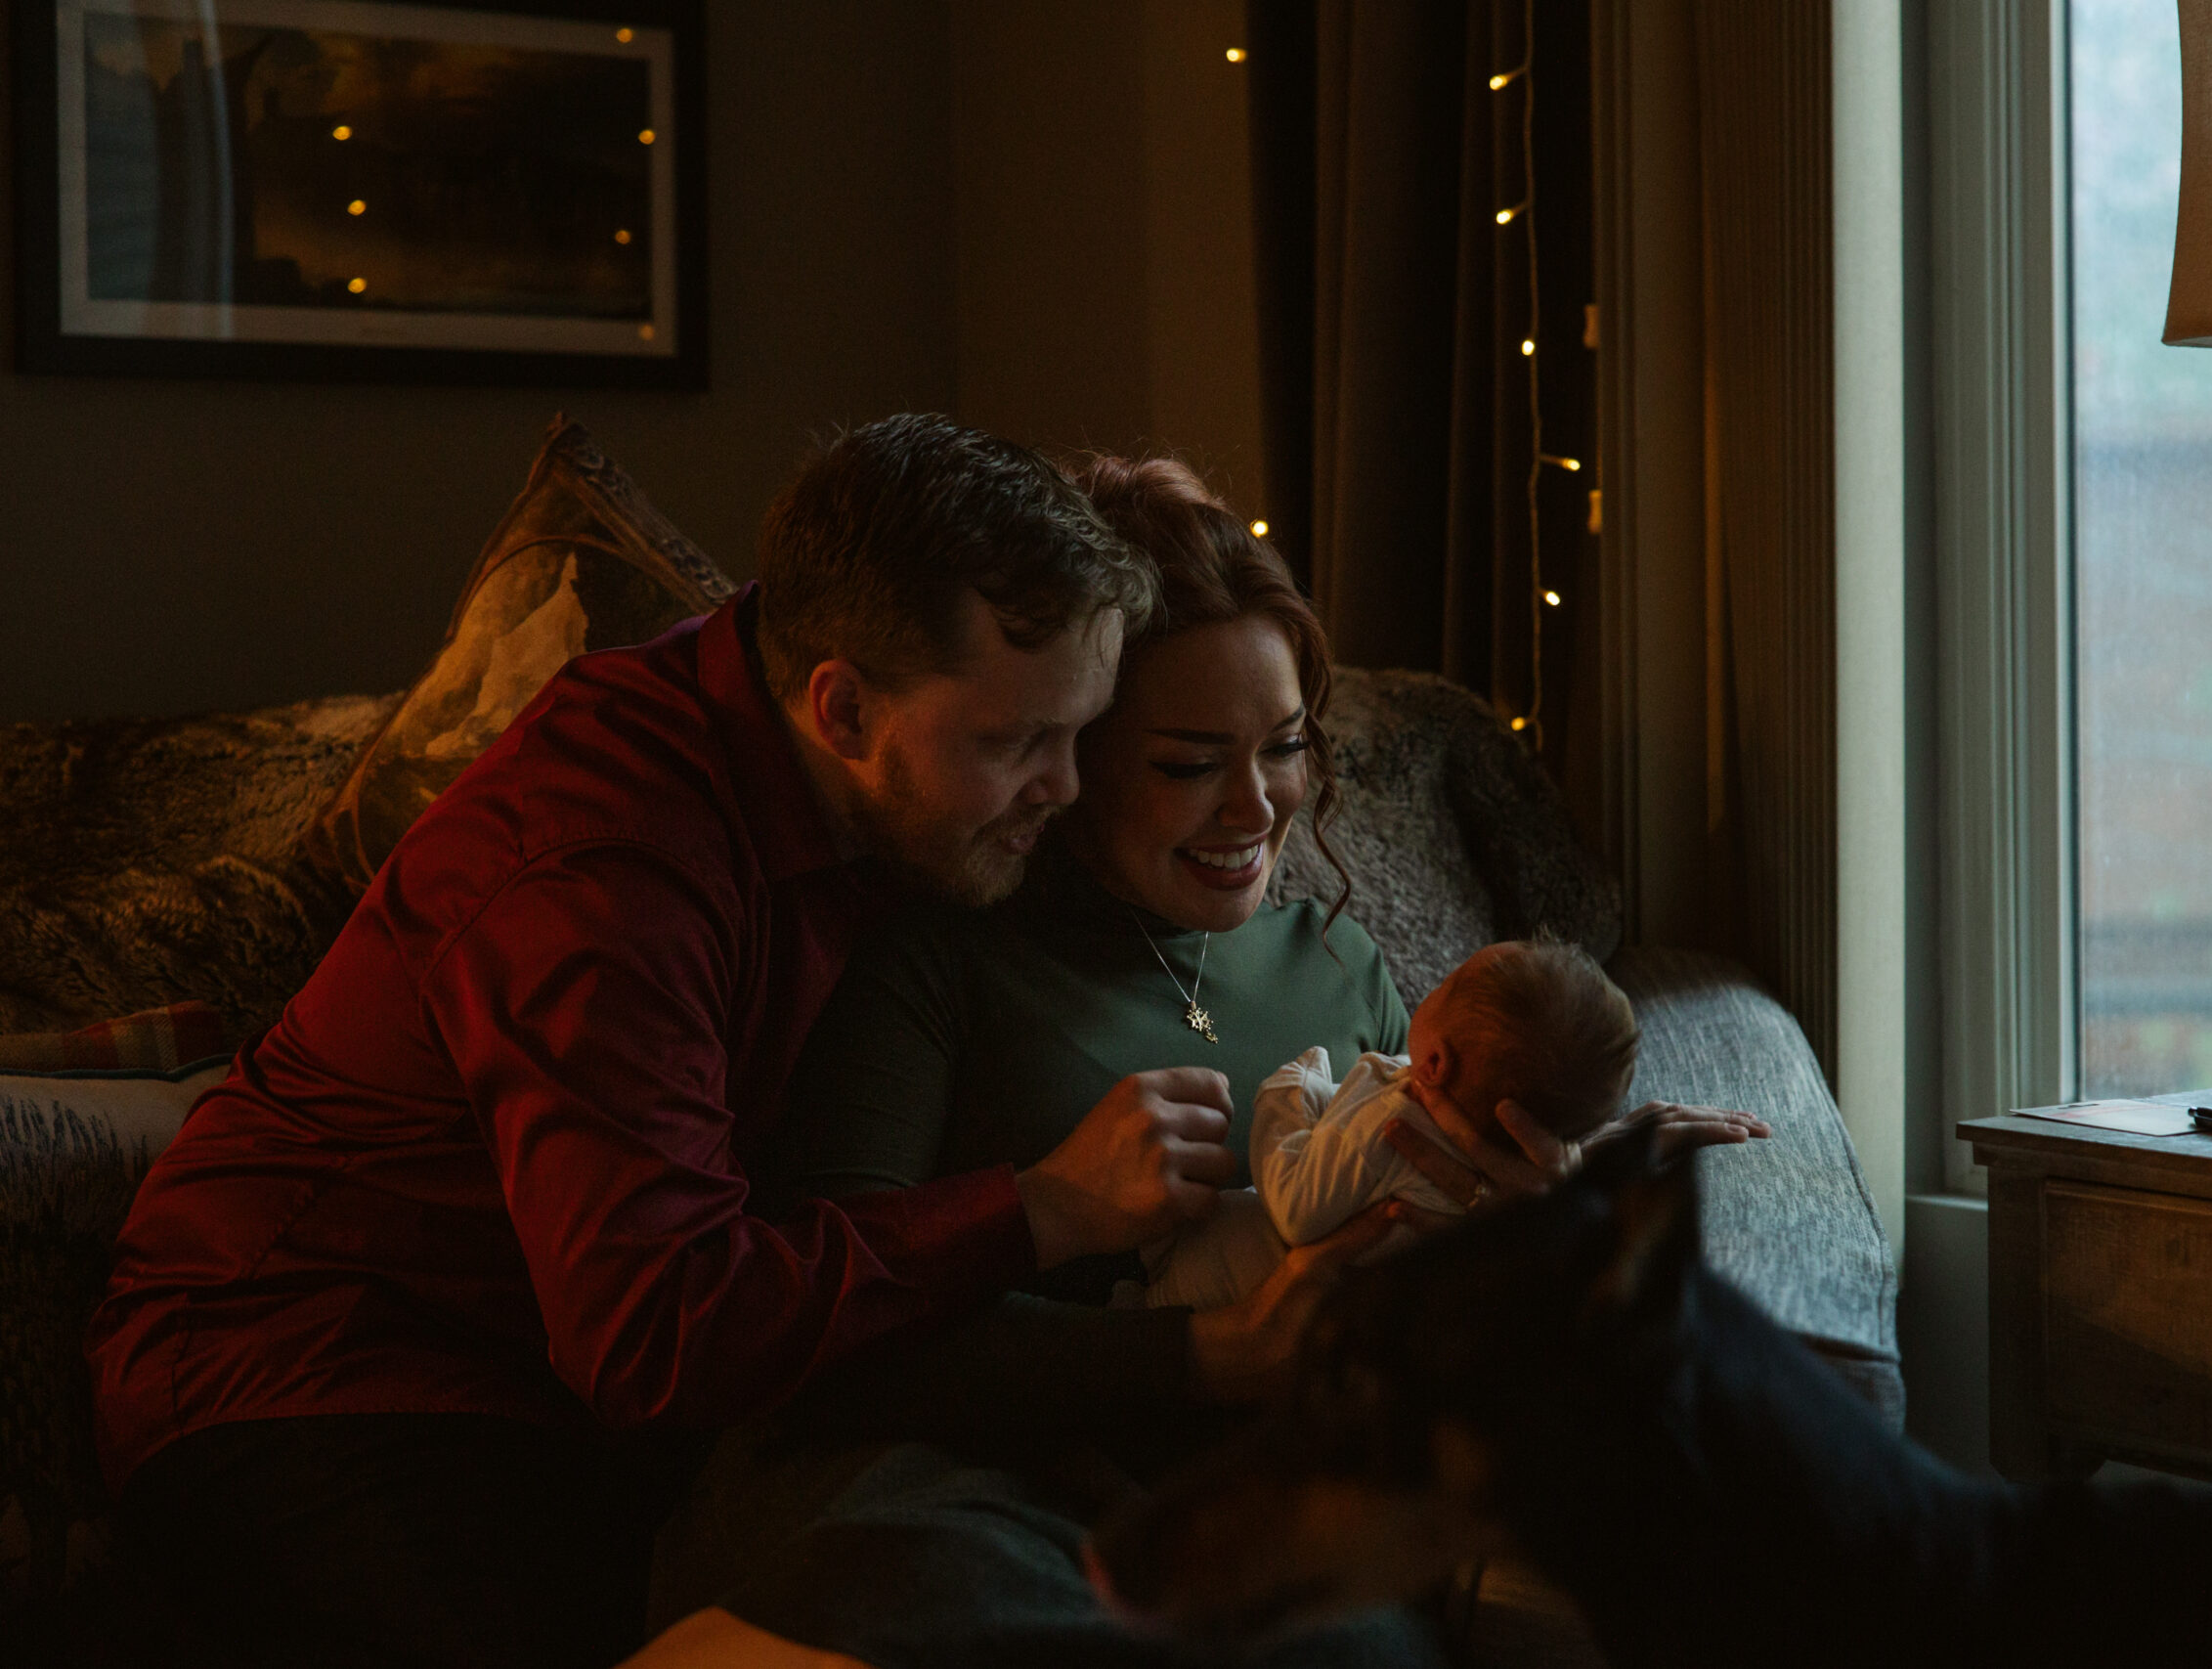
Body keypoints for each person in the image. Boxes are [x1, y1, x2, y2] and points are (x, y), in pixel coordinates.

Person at [83, 415, 1256, 1669]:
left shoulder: (877, 757)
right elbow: (660, 1331)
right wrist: (1036, 1210)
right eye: (1018, 743)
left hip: (560, 1393)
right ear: (842, 705)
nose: (1066, 788)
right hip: (309, 1372)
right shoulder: (604, 871)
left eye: (1078, 735)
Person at [631, 457, 1767, 1668]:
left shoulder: (1342, 966)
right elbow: (824, 1355)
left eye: (1282, 747)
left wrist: (1532, 1222)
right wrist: (1200, 1358)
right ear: (1068, 759)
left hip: (1240, 1500)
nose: (1258, 809)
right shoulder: (935, 952)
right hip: (944, 1486)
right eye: (1186, 763)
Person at [1139, 937, 1643, 1310]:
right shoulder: (1474, 1120)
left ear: (1438, 1065)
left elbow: (1296, 1207)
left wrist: (1287, 1094)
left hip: (1217, 1288)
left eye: (1444, 984)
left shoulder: (1395, 1125)